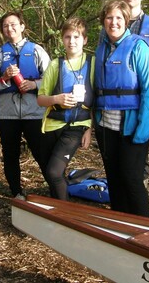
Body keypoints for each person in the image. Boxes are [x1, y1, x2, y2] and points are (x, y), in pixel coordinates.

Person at [93, 0, 149, 217]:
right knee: (114, 178)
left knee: (131, 178)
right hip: (105, 125)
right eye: (109, 18)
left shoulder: (138, 46)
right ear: (103, 21)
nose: (114, 22)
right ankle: (120, 224)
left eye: (119, 18)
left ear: (126, 21)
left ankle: (145, 227)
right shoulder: (101, 49)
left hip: (132, 125)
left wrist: (144, 127)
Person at [0, 11, 51, 199]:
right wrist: (6, 79)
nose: (10, 28)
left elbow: (52, 79)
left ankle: (55, 189)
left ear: (22, 26)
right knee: (10, 155)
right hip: (6, 115)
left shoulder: (36, 51)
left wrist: (35, 85)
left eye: (13, 24)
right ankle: (16, 192)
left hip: (34, 113)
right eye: (6, 26)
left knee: (42, 153)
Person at [37, 18, 94, 200]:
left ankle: (64, 215)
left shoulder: (92, 64)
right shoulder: (55, 65)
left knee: (54, 172)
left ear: (85, 40)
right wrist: (57, 99)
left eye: (76, 37)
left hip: (77, 126)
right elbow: (41, 99)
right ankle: (56, 211)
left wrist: (89, 129)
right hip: (53, 125)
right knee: (52, 174)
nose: (72, 41)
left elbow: (98, 101)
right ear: (62, 39)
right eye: (68, 37)